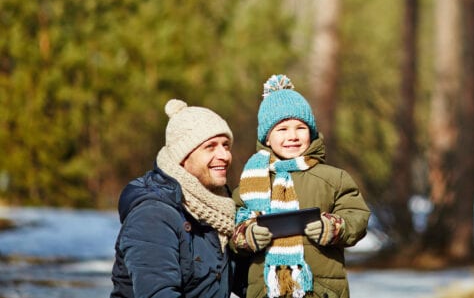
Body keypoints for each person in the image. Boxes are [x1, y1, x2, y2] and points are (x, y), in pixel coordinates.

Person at [231, 74, 370, 298]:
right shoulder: (251, 182)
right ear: (267, 138)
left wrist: (333, 228)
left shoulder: (334, 178)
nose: (293, 136)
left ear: (312, 132)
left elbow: (357, 216)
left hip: (320, 290)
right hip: (267, 290)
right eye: (282, 129)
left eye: (301, 128)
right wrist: (247, 236)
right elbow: (233, 227)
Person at [111, 99, 238, 298]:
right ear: (183, 156)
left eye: (226, 145)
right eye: (210, 147)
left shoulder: (222, 212)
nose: (224, 155)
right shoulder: (153, 215)